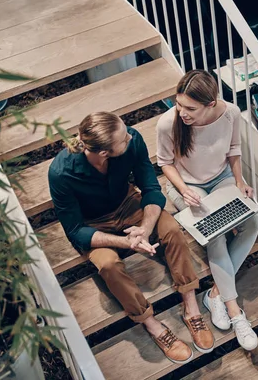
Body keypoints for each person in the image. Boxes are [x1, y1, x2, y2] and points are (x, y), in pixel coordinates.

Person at [48, 112, 214, 364]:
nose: (131, 137)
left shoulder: (132, 140)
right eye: (123, 139)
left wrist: (145, 229)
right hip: (93, 223)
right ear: (104, 152)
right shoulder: (61, 173)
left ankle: (190, 306)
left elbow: (150, 188)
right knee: (108, 265)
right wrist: (126, 242)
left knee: (171, 230)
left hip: (128, 204)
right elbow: (75, 230)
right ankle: (151, 323)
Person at [156, 70, 258, 351]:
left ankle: (214, 294)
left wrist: (240, 181)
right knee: (216, 232)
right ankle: (236, 311)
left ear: (211, 104)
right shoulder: (168, 123)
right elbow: (164, 163)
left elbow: (234, 149)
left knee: (253, 223)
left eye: (190, 108)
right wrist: (182, 189)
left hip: (221, 178)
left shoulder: (231, 114)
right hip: (186, 186)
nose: (182, 112)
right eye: (179, 104)